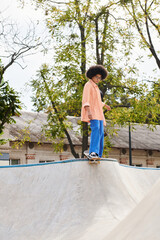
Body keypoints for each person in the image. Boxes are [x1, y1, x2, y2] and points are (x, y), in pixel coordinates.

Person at [81, 65, 111, 160]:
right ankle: (93, 152)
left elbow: (97, 101)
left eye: (100, 78)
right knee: (96, 130)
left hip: (99, 114)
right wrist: (89, 111)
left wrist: (105, 105)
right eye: (97, 77)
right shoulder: (88, 85)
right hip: (93, 113)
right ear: (92, 76)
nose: (98, 79)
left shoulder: (96, 88)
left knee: (101, 133)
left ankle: (99, 154)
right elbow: (86, 99)